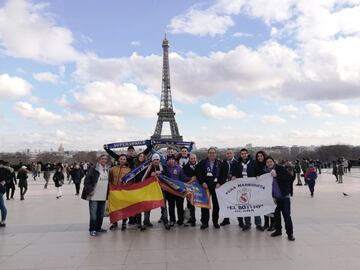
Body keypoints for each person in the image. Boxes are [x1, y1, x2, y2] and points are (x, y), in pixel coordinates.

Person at [265, 156, 295, 241]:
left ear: (273, 162)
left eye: (271, 161)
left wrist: (277, 176)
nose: (269, 163)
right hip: (274, 198)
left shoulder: (280, 168)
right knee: (276, 216)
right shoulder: (265, 172)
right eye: (267, 162)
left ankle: (290, 233)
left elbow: (289, 178)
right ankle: (278, 231)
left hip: (284, 196)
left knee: (286, 215)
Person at [81, 154, 109, 236]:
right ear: (99, 160)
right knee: (93, 214)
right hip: (94, 196)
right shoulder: (93, 169)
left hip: (103, 196)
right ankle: (92, 229)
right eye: (102, 159)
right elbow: (86, 181)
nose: (104, 160)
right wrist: (90, 190)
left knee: (101, 214)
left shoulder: (106, 169)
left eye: (105, 159)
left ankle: (98, 228)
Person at [142, 153, 171, 230]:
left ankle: (165, 221)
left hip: (161, 190)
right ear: (152, 160)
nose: (156, 161)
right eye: (154, 159)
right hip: (150, 190)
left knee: (163, 206)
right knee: (147, 206)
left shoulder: (163, 167)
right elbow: (143, 178)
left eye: (157, 159)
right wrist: (150, 175)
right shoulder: (148, 168)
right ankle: (146, 221)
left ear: (159, 160)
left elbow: (168, 176)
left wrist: (161, 173)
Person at [196, 147, 221, 229]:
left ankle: (215, 221)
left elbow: (223, 174)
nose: (212, 154)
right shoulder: (202, 163)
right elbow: (198, 173)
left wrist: (219, 182)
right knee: (204, 205)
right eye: (210, 153)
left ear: (215, 154)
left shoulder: (220, 163)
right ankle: (205, 222)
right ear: (208, 154)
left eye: (213, 153)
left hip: (216, 187)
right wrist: (202, 182)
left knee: (216, 205)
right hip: (205, 186)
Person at [238, 148, 263, 231]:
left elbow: (258, 172)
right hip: (243, 188)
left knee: (255, 205)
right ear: (240, 155)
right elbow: (235, 173)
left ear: (247, 154)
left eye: (245, 153)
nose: (244, 155)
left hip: (253, 187)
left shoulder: (253, 162)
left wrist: (258, 175)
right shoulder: (238, 163)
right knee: (245, 205)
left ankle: (258, 224)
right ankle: (247, 223)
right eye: (242, 154)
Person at [109, 154, 132, 231]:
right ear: (118, 160)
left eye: (124, 159)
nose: (122, 160)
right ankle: (114, 223)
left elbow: (131, 181)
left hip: (124, 191)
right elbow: (110, 180)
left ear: (126, 161)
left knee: (124, 208)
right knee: (114, 207)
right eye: (121, 159)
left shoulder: (129, 170)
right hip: (114, 191)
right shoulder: (112, 169)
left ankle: (124, 223)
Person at [219, 149, 241, 226]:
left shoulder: (238, 163)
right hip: (226, 185)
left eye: (230, 153)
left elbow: (240, 174)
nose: (229, 155)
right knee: (226, 203)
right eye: (227, 153)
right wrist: (220, 183)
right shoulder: (223, 163)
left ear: (233, 154)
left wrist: (236, 176)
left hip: (235, 186)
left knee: (238, 202)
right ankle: (226, 219)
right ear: (226, 155)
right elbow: (221, 174)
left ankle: (240, 221)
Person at [165, 155, 186, 226]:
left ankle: (181, 220)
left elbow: (183, 178)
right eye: (169, 159)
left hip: (179, 190)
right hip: (170, 190)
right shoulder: (165, 168)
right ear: (167, 161)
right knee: (171, 206)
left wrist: (192, 178)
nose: (171, 160)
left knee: (180, 206)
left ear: (175, 160)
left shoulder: (179, 168)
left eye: (172, 159)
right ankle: (172, 220)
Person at [182, 153, 198, 227]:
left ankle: (203, 220)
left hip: (198, 188)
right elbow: (183, 177)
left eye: (194, 158)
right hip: (189, 188)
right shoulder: (185, 167)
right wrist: (191, 180)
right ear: (189, 159)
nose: (193, 160)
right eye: (192, 158)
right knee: (190, 204)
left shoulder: (199, 166)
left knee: (201, 204)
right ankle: (192, 219)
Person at [0, 160, 12, 227]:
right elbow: (8, 179)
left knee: (1, 206)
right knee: (1, 205)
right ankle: (3, 221)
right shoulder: (7, 170)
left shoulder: (1, 170)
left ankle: (3, 221)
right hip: (2, 188)